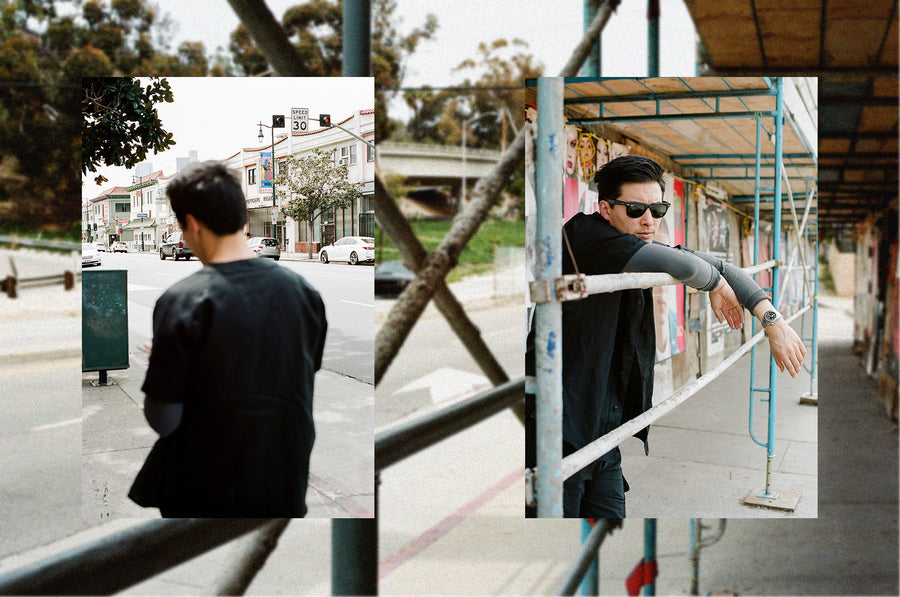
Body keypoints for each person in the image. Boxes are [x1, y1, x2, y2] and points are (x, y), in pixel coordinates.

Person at [525, 155, 806, 518]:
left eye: (657, 209)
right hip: (558, 432)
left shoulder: (635, 242)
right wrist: (716, 285)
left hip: (602, 436)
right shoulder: (587, 237)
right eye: (636, 209)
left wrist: (773, 321)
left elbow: (723, 266)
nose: (649, 220)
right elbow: (690, 267)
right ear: (605, 208)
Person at [128, 161, 327, 517]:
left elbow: (164, 420)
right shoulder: (304, 293)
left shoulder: (183, 301)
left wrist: (165, 363)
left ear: (191, 224)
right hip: (283, 481)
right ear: (242, 219)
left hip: (203, 490)